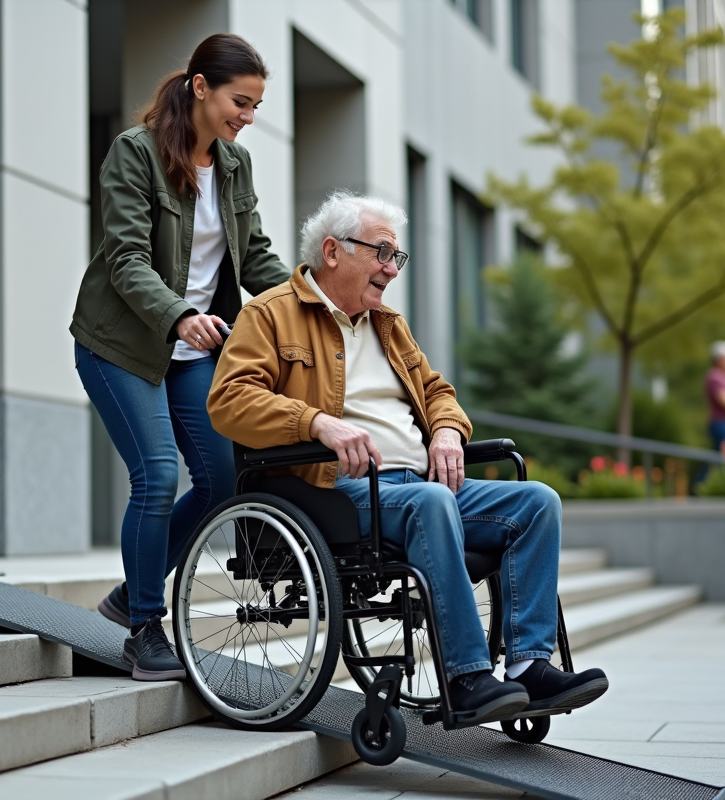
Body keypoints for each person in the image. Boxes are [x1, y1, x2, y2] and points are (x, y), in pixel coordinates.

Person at [207, 191, 609, 725]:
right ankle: (466, 678)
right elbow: (229, 401)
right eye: (381, 254)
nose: (391, 270)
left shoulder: (389, 326)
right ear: (332, 251)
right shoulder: (271, 315)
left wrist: (446, 432)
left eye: (397, 258)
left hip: (417, 483)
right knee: (431, 503)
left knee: (536, 503)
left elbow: (437, 391)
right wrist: (315, 422)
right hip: (335, 490)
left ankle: (529, 667)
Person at [70, 34, 290, 681]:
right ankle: (144, 624)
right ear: (201, 87)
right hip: (123, 344)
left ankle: (126, 592)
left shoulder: (233, 166)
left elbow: (254, 257)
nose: (246, 118)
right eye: (239, 102)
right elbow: (126, 258)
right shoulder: (135, 154)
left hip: (193, 353)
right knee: (158, 476)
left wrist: (310, 302)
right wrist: (179, 315)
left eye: (254, 107)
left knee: (222, 481)